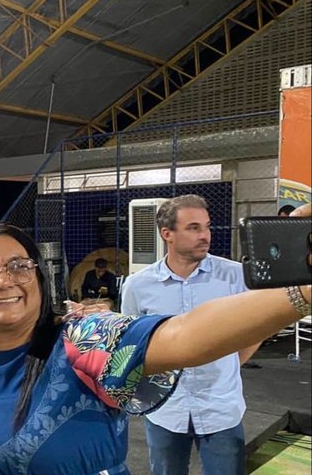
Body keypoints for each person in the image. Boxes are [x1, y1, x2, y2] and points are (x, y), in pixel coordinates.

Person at [0, 217, 311, 475]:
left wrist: (304, 292)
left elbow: (185, 335)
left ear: (39, 277)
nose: (4, 281)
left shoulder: (84, 338)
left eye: (19, 266)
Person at [121, 194, 260, 475]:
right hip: (165, 411)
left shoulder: (235, 277)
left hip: (220, 409)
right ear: (167, 234)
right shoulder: (138, 285)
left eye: (207, 227)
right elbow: (132, 345)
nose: (204, 235)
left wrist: (229, 363)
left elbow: (256, 329)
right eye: (194, 228)